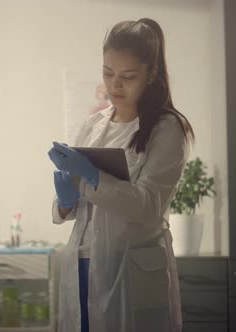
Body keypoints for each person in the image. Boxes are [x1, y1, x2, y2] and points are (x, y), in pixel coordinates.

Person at [48, 18, 194, 332]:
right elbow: (79, 205)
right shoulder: (93, 124)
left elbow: (146, 206)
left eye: (128, 76)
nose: (115, 85)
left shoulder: (168, 129)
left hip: (131, 270)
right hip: (83, 264)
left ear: (152, 73)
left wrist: (90, 177)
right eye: (108, 73)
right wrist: (64, 200)